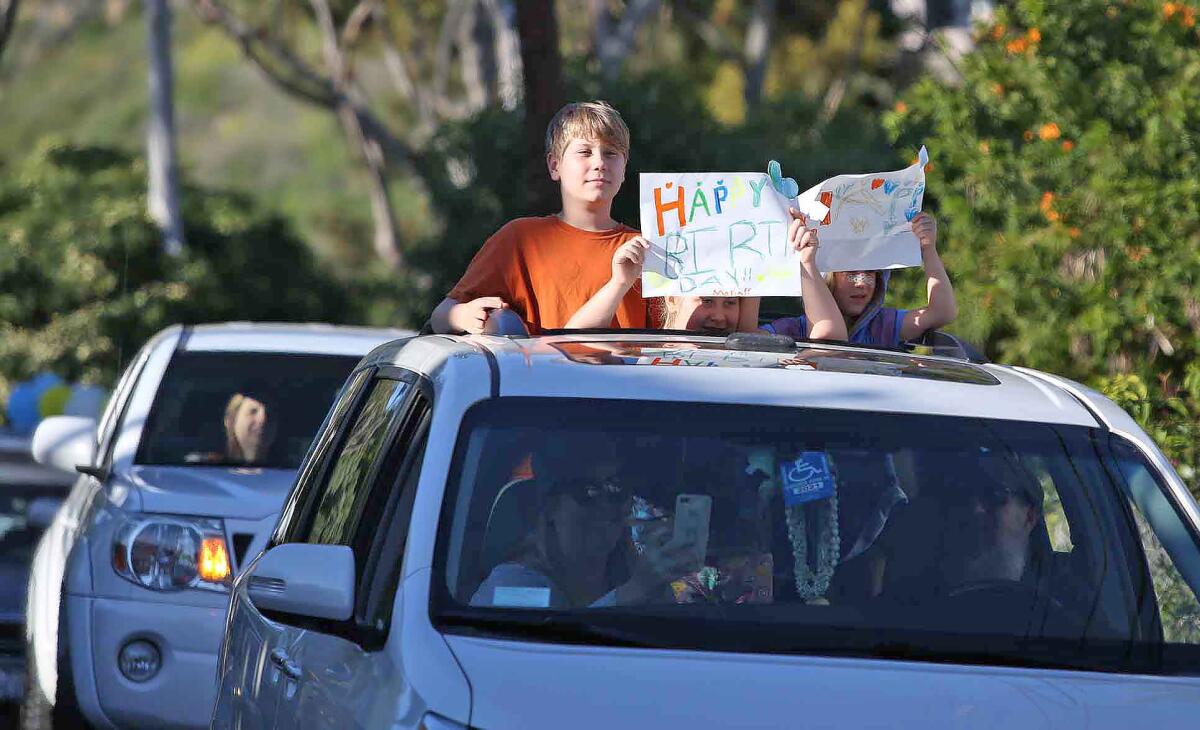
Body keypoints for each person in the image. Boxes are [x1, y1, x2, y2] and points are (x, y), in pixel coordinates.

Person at [432, 101, 760, 334]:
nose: (599, 163)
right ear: (554, 165)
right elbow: (440, 316)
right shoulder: (518, 239)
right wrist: (464, 315)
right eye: (584, 152)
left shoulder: (654, 247)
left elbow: (688, 337)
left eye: (611, 153)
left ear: (624, 167)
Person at [471, 446, 698, 609]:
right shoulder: (513, 584)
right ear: (551, 508)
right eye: (586, 491)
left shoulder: (625, 569)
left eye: (616, 488)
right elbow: (545, 658)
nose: (605, 505)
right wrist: (635, 591)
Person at [566, 208, 847, 340]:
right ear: (673, 298)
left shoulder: (750, 350)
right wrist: (620, 282)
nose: (719, 316)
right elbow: (571, 346)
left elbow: (831, 347)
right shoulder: (644, 348)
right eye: (707, 300)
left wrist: (806, 264)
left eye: (730, 302)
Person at [760, 212, 956, 346]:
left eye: (870, 272)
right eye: (851, 272)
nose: (862, 282)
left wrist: (928, 249)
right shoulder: (794, 329)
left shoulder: (883, 326)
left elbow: (942, 312)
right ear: (826, 277)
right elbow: (745, 340)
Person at [185, 390, 276, 465]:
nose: (263, 419)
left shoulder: (286, 470)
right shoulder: (201, 467)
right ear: (231, 421)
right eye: (253, 412)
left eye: (269, 414)